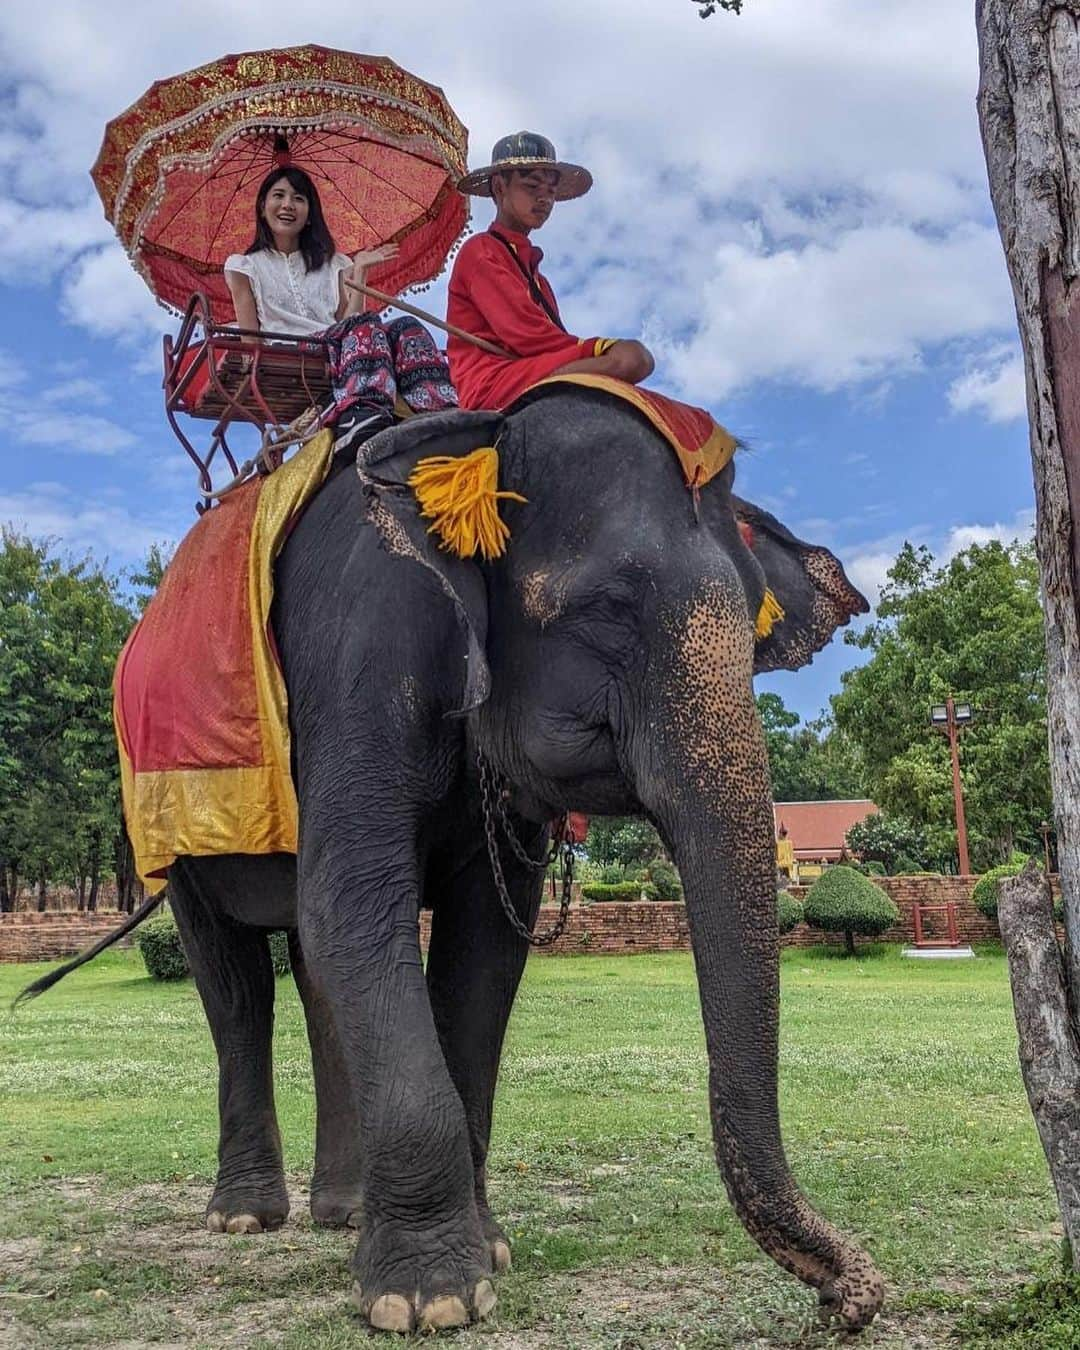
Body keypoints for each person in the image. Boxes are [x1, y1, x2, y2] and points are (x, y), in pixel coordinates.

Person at [224, 165, 457, 437]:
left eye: (299, 198)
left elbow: (351, 323)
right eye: (279, 196)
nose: (288, 205)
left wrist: (360, 272)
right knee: (366, 325)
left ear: (310, 215)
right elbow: (250, 342)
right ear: (263, 208)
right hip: (287, 349)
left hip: (339, 345)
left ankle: (437, 404)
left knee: (407, 325)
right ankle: (363, 409)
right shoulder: (244, 266)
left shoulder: (333, 264)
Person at [446, 133, 654, 410]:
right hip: (493, 380)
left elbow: (549, 342)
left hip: (530, 366)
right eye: (532, 186)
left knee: (632, 361)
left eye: (551, 192)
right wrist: (598, 349)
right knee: (631, 358)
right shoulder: (481, 250)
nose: (544, 199)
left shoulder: (538, 279)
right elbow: (528, 335)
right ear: (499, 187)